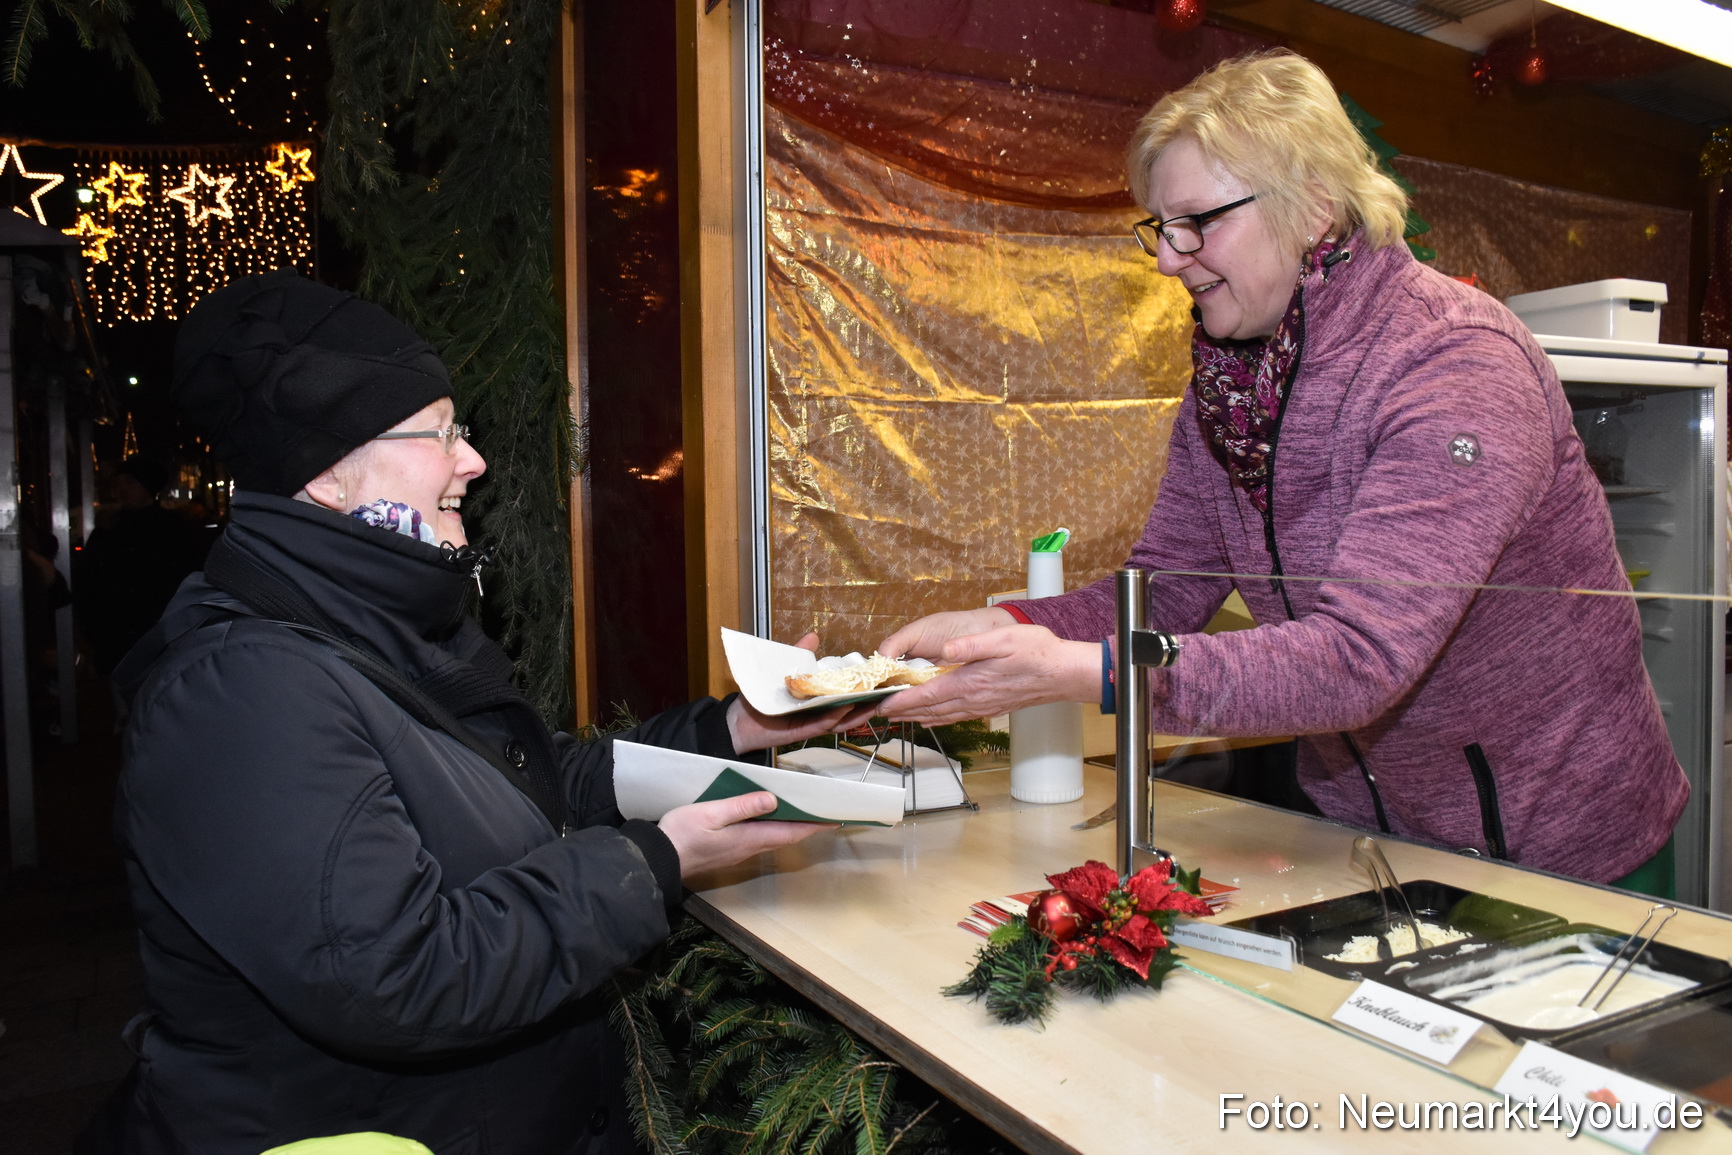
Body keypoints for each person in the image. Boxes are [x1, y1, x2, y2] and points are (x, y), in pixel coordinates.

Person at [877, 50, 1685, 890]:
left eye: (1199, 220)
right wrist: (1000, 626)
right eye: (1161, 225)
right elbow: (1160, 589)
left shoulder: (1452, 360)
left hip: (1563, 853)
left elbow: (1358, 658)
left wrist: (1094, 674)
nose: (1167, 259)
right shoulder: (1227, 390)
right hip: (1375, 838)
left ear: (1313, 207)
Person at [102, 270, 869, 1154]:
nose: (472, 460)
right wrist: (652, 864)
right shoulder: (241, 694)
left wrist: (732, 729)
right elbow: (398, 975)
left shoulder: (365, 626)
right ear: (325, 479)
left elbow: (527, 785)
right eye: (436, 434)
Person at [74, 455, 209, 676]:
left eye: (130, 482)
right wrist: (94, 629)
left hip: (161, 634)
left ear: (149, 486)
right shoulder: (107, 531)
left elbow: (190, 575)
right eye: (118, 483)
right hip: (115, 637)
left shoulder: (174, 529)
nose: (121, 489)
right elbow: (87, 581)